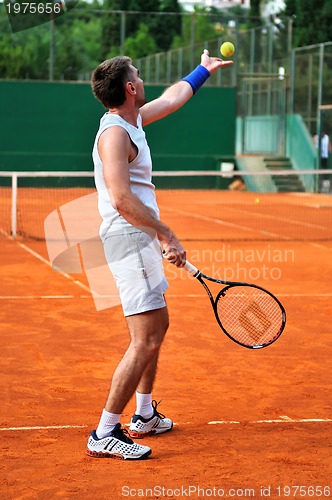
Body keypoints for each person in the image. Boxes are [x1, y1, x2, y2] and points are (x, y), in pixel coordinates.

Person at [86, 49, 233, 460]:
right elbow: (120, 198)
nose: (143, 79)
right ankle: (104, 431)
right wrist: (166, 233)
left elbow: (173, 97)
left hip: (140, 237)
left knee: (157, 328)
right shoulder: (115, 133)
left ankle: (145, 414)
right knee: (146, 337)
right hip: (129, 237)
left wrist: (204, 69)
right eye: (139, 74)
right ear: (130, 87)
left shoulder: (133, 121)